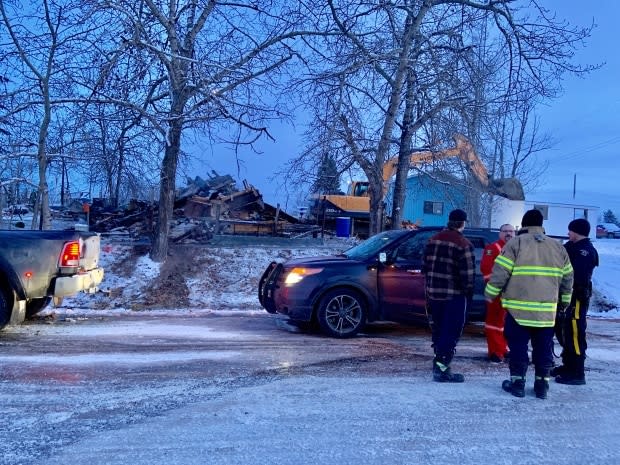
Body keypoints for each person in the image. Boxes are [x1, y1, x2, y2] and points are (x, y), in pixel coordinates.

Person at [484, 209, 573, 399]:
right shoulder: (557, 247)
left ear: (523, 225)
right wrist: (564, 301)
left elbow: (501, 272)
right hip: (547, 312)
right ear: (541, 225)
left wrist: (490, 293)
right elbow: (568, 277)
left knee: (518, 348)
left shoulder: (515, 243)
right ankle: (542, 386)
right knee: (543, 348)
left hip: (518, 311)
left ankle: (517, 384)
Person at [423, 208, 475, 383]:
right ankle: (442, 368)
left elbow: (425, 266)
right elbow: (467, 276)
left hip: (433, 294)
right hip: (454, 296)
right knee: (451, 331)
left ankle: (438, 360)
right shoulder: (463, 244)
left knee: (438, 329)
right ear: (463, 223)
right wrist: (468, 293)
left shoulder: (432, 240)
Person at [552, 218, 599, 385]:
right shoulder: (572, 247)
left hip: (577, 298)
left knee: (575, 332)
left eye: (570, 230)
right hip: (567, 296)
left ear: (577, 232)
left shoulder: (585, 251)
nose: (567, 233)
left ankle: (577, 372)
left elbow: (576, 276)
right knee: (565, 331)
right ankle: (568, 365)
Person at [480, 224, 514, 363]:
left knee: (506, 323)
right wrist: (497, 287)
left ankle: (503, 348)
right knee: (494, 322)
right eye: (505, 231)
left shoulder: (516, 248)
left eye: (511, 231)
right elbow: (486, 269)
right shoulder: (492, 248)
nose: (509, 234)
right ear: (499, 233)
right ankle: (495, 351)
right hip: (497, 293)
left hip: (512, 293)